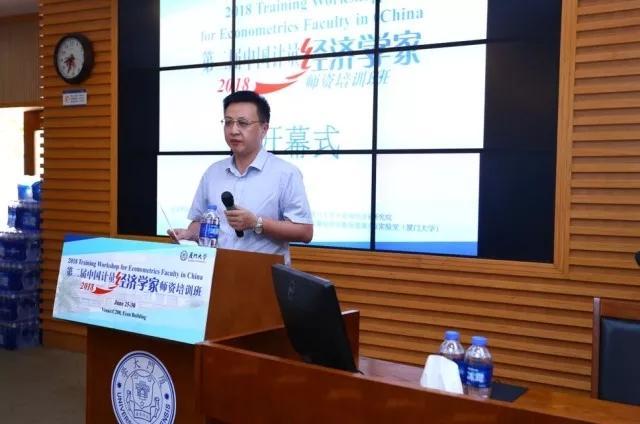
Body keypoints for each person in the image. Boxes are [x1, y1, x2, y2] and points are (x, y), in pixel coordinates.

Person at [170, 90, 313, 264]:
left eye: (243, 123)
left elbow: (305, 232)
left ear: (264, 129)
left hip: (262, 274)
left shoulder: (286, 173)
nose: (234, 130)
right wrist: (189, 234)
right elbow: (200, 222)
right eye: (228, 122)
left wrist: (257, 223)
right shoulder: (213, 173)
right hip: (216, 270)